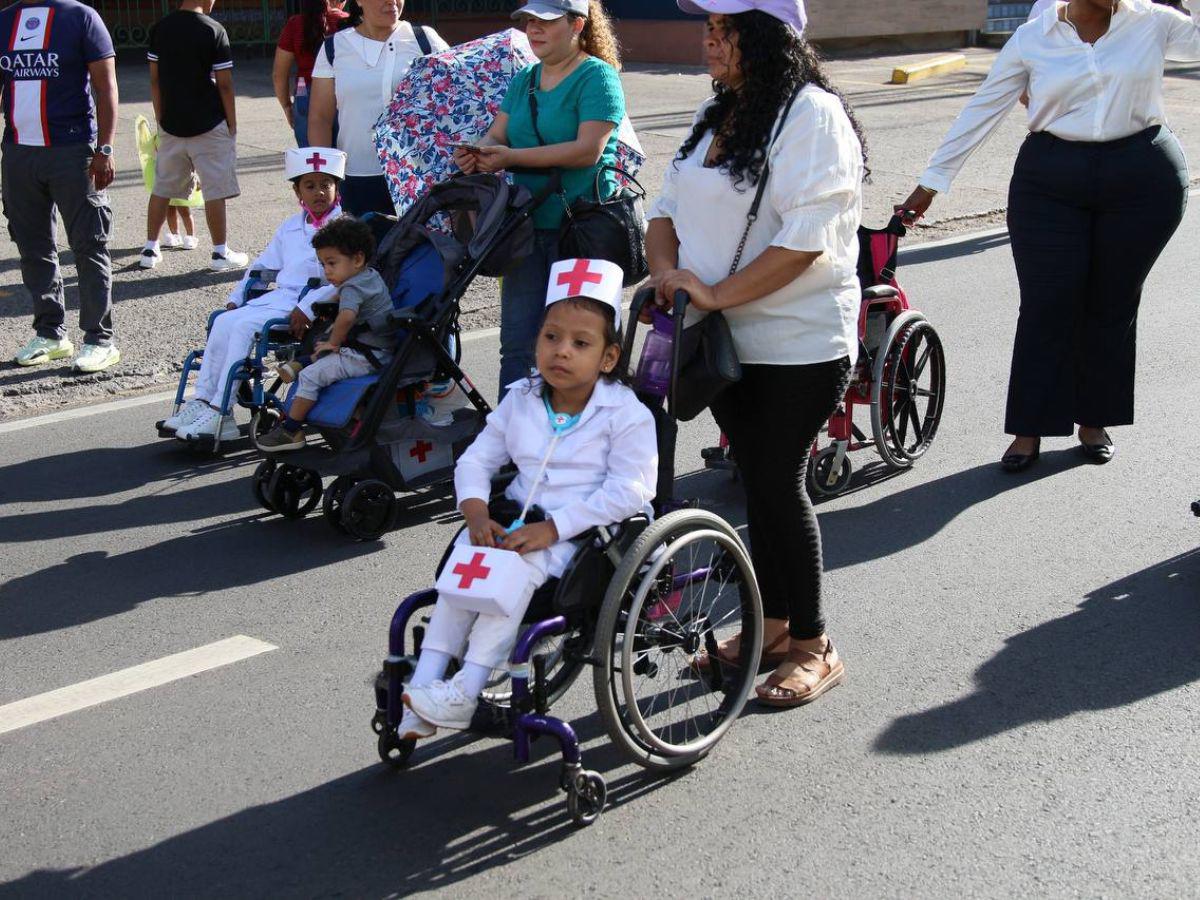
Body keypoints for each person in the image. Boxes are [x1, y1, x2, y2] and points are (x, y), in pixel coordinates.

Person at [645, 1, 866, 708]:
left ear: (767, 35)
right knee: (761, 484)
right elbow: (664, 211)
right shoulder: (719, 113)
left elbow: (807, 239)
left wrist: (714, 293)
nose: (708, 40)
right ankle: (770, 627)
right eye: (706, 27)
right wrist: (665, 276)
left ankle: (814, 644)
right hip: (725, 343)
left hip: (799, 342)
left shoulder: (811, 116)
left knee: (776, 481)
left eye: (724, 28)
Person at [900, 0, 1200, 471]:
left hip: (1143, 178)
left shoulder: (1153, 22)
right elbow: (985, 106)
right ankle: (1029, 428)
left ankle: (1094, 420)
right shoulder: (1034, 35)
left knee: (1112, 302)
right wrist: (933, 181)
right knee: (1047, 303)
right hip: (1051, 178)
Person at [397, 258, 656, 738]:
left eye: (581, 343)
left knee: (506, 581)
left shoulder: (626, 414)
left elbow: (631, 490)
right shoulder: (522, 398)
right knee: (462, 578)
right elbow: (476, 462)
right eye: (551, 337)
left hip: (588, 533)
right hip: (515, 519)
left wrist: (553, 529)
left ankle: (465, 690)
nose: (561, 352)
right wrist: (474, 511)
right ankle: (427, 686)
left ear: (608, 358)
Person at [452, 0, 626, 396]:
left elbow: (587, 151)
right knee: (518, 345)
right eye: (529, 21)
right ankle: (515, 443)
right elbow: (498, 135)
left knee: (582, 347)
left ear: (577, 24)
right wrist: (477, 152)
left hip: (581, 234)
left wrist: (510, 158)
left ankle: (581, 440)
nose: (534, 30)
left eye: (545, 21)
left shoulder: (597, 77)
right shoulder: (525, 79)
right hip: (526, 231)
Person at [166, 147, 346, 442]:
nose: (319, 192)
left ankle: (220, 409)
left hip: (309, 305)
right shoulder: (291, 226)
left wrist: (308, 308)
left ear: (336, 187)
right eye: (310, 185)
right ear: (297, 191)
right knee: (224, 321)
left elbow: (342, 280)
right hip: (280, 298)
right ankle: (202, 400)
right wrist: (237, 298)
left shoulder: (344, 227)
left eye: (326, 184)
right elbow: (262, 266)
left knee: (244, 327)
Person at [1, 0, 121, 374]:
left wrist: (105, 148)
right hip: (19, 153)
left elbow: (105, 87)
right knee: (32, 246)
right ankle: (51, 334)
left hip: (73, 151)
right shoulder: (5, 21)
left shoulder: (81, 17)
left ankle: (99, 339)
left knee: (88, 245)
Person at [257, 217, 393, 451]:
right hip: (377, 348)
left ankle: (291, 430)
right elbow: (341, 300)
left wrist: (333, 342)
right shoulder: (370, 276)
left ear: (358, 259)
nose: (326, 271)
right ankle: (302, 362)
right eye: (323, 264)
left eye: (331, 263)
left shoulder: (352, 287)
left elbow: (347, 316)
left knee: (312, 375)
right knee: (323, 347)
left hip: (366, 356)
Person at [307, 0, 449, 216]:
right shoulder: (334, 48)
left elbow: (453, 100)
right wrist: (324, 176)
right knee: (360, 248)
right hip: (356, 176)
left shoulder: (424, 40)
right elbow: (320, 118)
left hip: (418, 174)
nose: (391, 1)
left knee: (419, 248)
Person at [141, 0, 249, 272]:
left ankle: (150, 247)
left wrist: (160, 118)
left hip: (171, 122)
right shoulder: (214, 30)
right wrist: (232, 123)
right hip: (209, 121)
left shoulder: (160, 28)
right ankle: (219, 252)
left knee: (162, 187)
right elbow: (224, 84)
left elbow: (155, 80)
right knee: (215, 190)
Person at [273, 0, 349, 147]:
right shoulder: (347, 23)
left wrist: (287, 105)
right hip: (340, 91)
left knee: (312, 160)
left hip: (304, 91)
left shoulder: (295, 24)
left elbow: (279, 74)